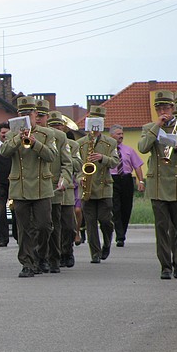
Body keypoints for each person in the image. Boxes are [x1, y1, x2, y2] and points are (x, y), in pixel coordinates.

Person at [138, 91, 177, 279]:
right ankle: (165, 266)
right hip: (158, 185)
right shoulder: (149, 128)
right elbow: (142, 147)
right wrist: (156, 127)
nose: (163, 111)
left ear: (172, 108)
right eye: (159, 108)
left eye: (166, 107)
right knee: (162, 229)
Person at [0, 96, 57, 278]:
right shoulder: (11, 134)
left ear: (35, 114)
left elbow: (51, 156)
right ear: (18, 114)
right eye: (22, 113)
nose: (26, 116)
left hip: (41, 186)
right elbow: (4, 152)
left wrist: (34, 143)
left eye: (29, 113)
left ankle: (41, 256)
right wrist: (19, 138)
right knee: (24, 229)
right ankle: (27, 263)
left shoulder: (47, 134)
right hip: (20, 187)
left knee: (44, 226)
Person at [76, 106, 119, 264]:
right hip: (87, 187)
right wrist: (80, 178)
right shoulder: (80, 144)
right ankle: (95, 253)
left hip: (104, 187)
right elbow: (77, 165)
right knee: (90, 223)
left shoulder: (110, 143)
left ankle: (107, 243)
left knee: (105, 220)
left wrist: (102, 158)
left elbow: (115, 162)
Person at [36, 100, 72, 274]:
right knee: (35, 227)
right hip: (33, 188)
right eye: (35, 115)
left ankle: (54, 259)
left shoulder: (59, 136)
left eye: (41, 115)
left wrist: (64, 179)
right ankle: (37, 259)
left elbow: (67, 163)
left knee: (54, 226)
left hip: (53, 187)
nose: (38, 118)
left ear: (47, 117)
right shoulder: (25, 134)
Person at [47, 112, 81, 268]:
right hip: (51, 188)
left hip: (66, 190)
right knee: (53, 225)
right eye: (53, 125)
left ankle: (68, 251)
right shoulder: (46, 142)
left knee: (68, 226)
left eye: (59, 125)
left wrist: (65, 157)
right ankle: (55, 254)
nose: (56, 128)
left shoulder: (73, 145)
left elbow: (78, 164)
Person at [108, 124, 145, 247]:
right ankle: (120, 236)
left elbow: (137, 166)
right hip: (113, 179)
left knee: (126, 208)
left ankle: (122, 232)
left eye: (122, 134)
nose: (121, 136)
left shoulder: (129, 150)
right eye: (118, 134)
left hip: (126, 179)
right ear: (111, 136)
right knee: (115, 208)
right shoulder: (107, 150)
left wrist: (140, 181)